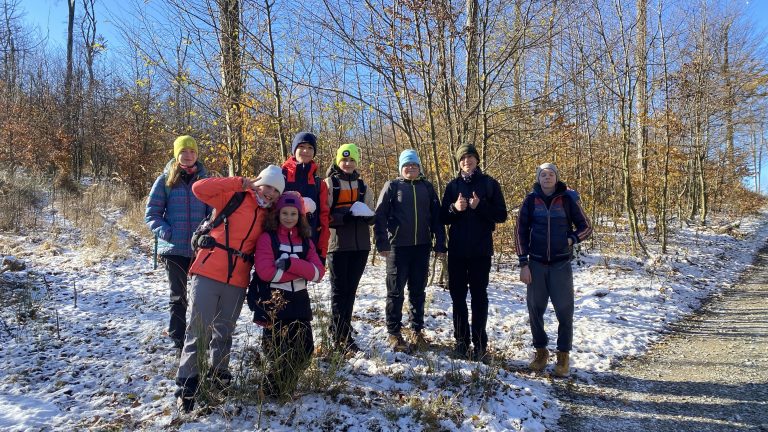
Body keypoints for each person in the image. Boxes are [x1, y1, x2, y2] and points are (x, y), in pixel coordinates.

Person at [174, 164, 284, 412]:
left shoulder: (270, 213)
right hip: (209, 270)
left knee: (224, 330)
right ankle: (187, 385)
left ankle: (219, 376)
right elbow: (198, 188)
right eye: (268, 187)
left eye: (276, 191)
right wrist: (239, 182)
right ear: (259, 182)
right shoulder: (234, 196)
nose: (270, 194)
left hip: (238, 278)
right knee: (198, 328)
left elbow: (296, 209)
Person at [515, 162, 592, 377]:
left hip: (561, 264)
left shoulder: (567, 199)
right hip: (536, 264)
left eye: (550, 174)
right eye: (543, 175)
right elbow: (519, 231)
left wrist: (572, 238)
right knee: (534, 310)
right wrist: (523, 263)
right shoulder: (530, 200)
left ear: (556, 178)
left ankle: (563, 356)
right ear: (538, 178)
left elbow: (587, 226)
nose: (546, 178)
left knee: (565, 312)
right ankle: (541, 352)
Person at [249, 191, 325, 397]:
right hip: (275, 301)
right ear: (277, 214)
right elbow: (266, 273)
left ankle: (282, 387)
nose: (289, 217)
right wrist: (301, 272)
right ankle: (272, 390)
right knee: (277, 350)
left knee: (305, 349)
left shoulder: (306, 241)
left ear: (300, 216)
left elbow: (318, 273)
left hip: (300, 301)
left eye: (294, 213)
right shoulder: (267, 239)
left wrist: (292, 264)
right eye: (285, 213)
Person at [374, 149, 447, 353]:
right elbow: (380, 216)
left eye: (414, 165)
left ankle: (416, 330)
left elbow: (436, 218)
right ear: (401, 168)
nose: (410, 168)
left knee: (417, 292)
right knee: (395, 292)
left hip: (421, 247)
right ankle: (394, 333)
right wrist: (382, 243)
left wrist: (440, 243)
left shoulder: (427, 188)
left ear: (419, 168)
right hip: (397, 248)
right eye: (407, 165)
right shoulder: (392, 186)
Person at [440, 143, 507, 361]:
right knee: (457, 297)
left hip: (481, 251)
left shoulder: (489, 184)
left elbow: (501, 215)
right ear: (458, 163)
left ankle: (480, 344)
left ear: (477, 159)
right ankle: (461, 342)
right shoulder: (452, 186)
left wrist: (481, 207)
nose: (466, 161)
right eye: (462, 159)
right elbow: (442, 217)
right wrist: (454, 209)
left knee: (479, 297)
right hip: (457, 252)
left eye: (470, 157)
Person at [145, 135, 209, 351]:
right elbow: (152, 214)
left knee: (201, 297)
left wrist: (208, 235)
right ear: (176, 154)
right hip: (173, 248)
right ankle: (178, 339)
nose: (188, 155)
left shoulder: (205, 181)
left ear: (197, 155)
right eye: (183, 151)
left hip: (200, 249)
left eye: (192, 151)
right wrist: (167, 232)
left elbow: (214, 214)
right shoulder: (165, 180)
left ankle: (200, 336)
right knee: (178, 295)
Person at [323, 143, 376, 353]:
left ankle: (343, 331)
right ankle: (338, 335)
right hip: (337, 245)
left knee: (351, 291)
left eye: (352, 160)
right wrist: (342, 216)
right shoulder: (330, 184)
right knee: (338, 291)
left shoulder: (364, 187)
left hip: (361, 246)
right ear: (338, 161)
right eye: (344, 160)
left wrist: (368, 216)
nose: (348, 163)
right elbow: (323, 215)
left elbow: (373, 214)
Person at [281, 132, 330, 265]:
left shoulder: (319, 184)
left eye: (310, 148)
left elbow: (324, 220)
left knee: (300, 285)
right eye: (301, 146)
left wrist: (322, 251)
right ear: (294, 150)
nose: (305, 151)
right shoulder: (280, 176)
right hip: (279, 245)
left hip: (308, 245)